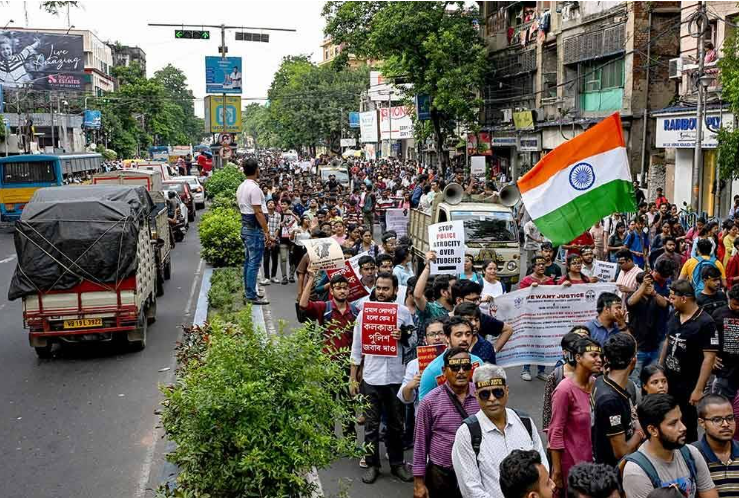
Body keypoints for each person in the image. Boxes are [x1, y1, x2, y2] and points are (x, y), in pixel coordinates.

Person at [349, 272, 415, 484]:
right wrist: (353, 378)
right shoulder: (364, 314)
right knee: (371, 425)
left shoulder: (404, 313)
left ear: (395, 290)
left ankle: (396, 464)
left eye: (386, 288)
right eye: (379, 288)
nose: (382, 292)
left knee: (396, 425)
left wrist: (402, 336)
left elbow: (414, 341)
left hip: (396, 377)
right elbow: (356, 348)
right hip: (372, 377)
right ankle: (372, 464)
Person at [452, 364, 548, 498]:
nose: (492, 399)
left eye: (498, 392)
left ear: (507, 391)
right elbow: (471, 489)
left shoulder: (525, 422)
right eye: (485, 394)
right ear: (476, 395)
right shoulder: (466, 434)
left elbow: (542, 465)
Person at [412, 347, 479, 498]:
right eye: (455, 367)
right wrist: (419, 483)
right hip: (441, 474)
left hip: (476, 472)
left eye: (466, 367)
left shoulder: (483, 396)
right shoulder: (430, 402)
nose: (461, 371)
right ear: (444, 370)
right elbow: (420, 443)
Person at [622, 393, 717, 498]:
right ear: (653, 430)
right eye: (673, 423)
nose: (683, 427)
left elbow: (709, 493)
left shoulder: (691, 454)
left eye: (680, 420)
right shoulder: (636, 472)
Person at [661, 279, 719, 443]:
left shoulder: (706, 323)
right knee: (668, 419)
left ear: (684, 298)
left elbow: (709, 358)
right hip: (669, 380)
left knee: (687, 425)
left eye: (673, 298)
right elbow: (668, 341)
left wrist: (699, 389)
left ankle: (690, 457)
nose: (670, 301)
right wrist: (660, 368)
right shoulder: (674, 315)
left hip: (689, 385)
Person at [549, 337, 603, 494]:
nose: (599, 360)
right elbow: (555, 431)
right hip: (572, 467)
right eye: (593, 355)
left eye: (600, 356)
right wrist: (557, 473)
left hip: (596, 466)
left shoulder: (597, 385)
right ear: (578, 358)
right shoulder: (564, 390)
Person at [592, 333, 646, 467]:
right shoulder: (610, 400)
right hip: (612, 471)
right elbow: (621, 451)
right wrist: (640, 433)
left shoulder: (600, 381)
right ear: (633, 360)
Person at [418, 316, 483, 401]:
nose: (464, 339)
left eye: (468, 334)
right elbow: (424, 407)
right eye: (458, 335)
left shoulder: (478, 362)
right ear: (447, 338)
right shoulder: (432, 371)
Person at [236, 158, 270, 305]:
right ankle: (251, 295)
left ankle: (250, 291)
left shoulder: (242, 186)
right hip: (254, 229)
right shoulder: (254, 189)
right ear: (256, 170)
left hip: (246, 227)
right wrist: (266, 231)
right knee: (254, 263)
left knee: (249, 262)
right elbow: (258, 212)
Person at [542, 330, 589, 433]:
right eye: (572, 351)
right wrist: (550, 434)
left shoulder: (589, 375)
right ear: (564, 352)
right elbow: (547, 408)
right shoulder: (556, 376)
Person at [693, 394, 739, 497]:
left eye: (730, 418)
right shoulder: (692, 455)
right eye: (717, 420)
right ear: (702, 423)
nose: (726, 424)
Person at [398, 317, 447, 410]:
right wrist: (410, 386)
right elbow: (405, 399)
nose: (437, 338)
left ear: (448, 336)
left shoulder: (457, 358)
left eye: (441, 333)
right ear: (425, 339)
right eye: (432, 334)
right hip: (425, 416)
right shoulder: (414, 364)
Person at [628, 271, 670, 377]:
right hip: (638, 347)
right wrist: (643, 286)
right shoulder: (634, 297)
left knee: (652, 377)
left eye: (651, 283)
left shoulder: (655, 297)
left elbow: (665, 304)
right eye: (645, 283)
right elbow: (630, 302)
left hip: (654, 346)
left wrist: (654, 293)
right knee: (636, 379)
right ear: (638, 284)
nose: (648, 286)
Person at [261, 199, 281, 285]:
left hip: (275, 239)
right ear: (266, 205)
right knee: (266, 259)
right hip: (265, 239)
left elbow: (278, 227)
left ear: (275, 205)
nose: (270, 204)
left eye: (272, 203)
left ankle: (273, 276)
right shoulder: (263, 215)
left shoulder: (278, 215)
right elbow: (263, 228)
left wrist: (274, 239)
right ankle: (266, 277)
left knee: (275, 259)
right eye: (269, 203)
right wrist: (268, 239)